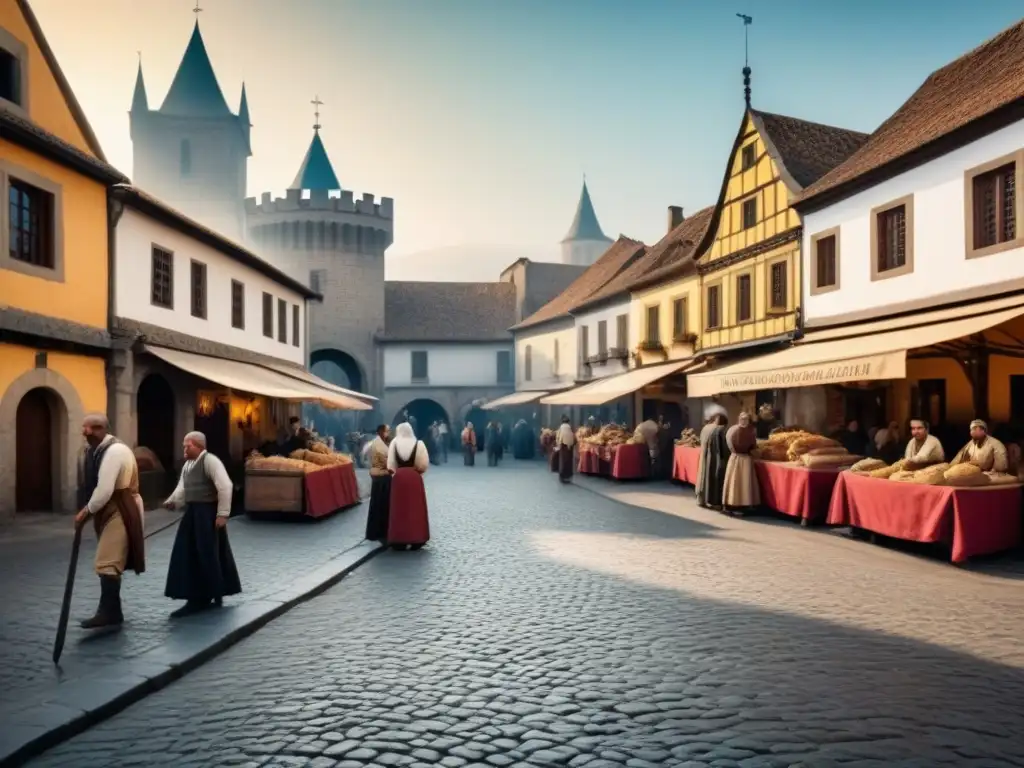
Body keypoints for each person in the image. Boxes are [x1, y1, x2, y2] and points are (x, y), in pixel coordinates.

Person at [75, 414, 146, 629]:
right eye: (86, 429)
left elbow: (105, 489)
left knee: (107, 561)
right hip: (109, 508)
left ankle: (108, 612)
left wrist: (86, 512)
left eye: (95, 429)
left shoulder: (115, 451)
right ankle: (113, 611)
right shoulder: (94, 451)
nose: (89, 434)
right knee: (111, 561)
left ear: (104, 429)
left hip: (121, 508)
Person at [163, 431, 242, 618]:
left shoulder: (210, 461)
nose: (184, 448)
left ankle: (205, 595)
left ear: (199, 446)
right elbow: (183, 487)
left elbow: (225, 486)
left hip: (207, 513)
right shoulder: (188, 465)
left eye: (187, 445)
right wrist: (173, 501)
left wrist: (222, 514)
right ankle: (205, 593)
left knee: (207, 552)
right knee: (188, 552)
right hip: (193, 513)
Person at [386, 422, 430, 550]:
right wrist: (416, 472)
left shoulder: (394, 443)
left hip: (398, 478)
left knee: (398, 508)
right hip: (414, 477)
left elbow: (390, 464)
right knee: (415, 508)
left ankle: (399, 539)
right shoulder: (419, 444)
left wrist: (396, 473)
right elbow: (423, 464)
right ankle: (417, 538)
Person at [723, 412, 760, 516]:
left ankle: (732, 504)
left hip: (734, 457)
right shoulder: (748, 432)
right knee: (741, 483)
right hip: (743, 459)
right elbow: (752, 446)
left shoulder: (732, 429)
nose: (745, 421)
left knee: (734, 482)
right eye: (744, 419)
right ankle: (739, 505)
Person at [696, 413, 729, 509]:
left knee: (702, 476)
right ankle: (712, 501)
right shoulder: (719, 430)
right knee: (711, 479)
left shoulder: (705, 428)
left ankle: (700, 499)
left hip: (704, 455)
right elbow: (722, 447)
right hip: (714, 458)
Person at [365, 424, 392, 542]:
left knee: (376, 505)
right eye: (387, 431)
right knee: (380, 505)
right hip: (382, 478)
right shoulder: (378, 445)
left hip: (377, 477)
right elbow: (387, 462)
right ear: (381, 432)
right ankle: (379, 532)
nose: (388, 433)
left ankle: (375, 532)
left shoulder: (377, 443)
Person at [554, 415, 575, 483]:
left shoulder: (561, 427)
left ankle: (562, 475)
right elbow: (573, 437)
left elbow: (559, 436)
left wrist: (558, 445)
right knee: (569, 461)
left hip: (563, 445)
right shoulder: (570, 427)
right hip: (570, 446)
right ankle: (568, 475)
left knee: (562, 461)